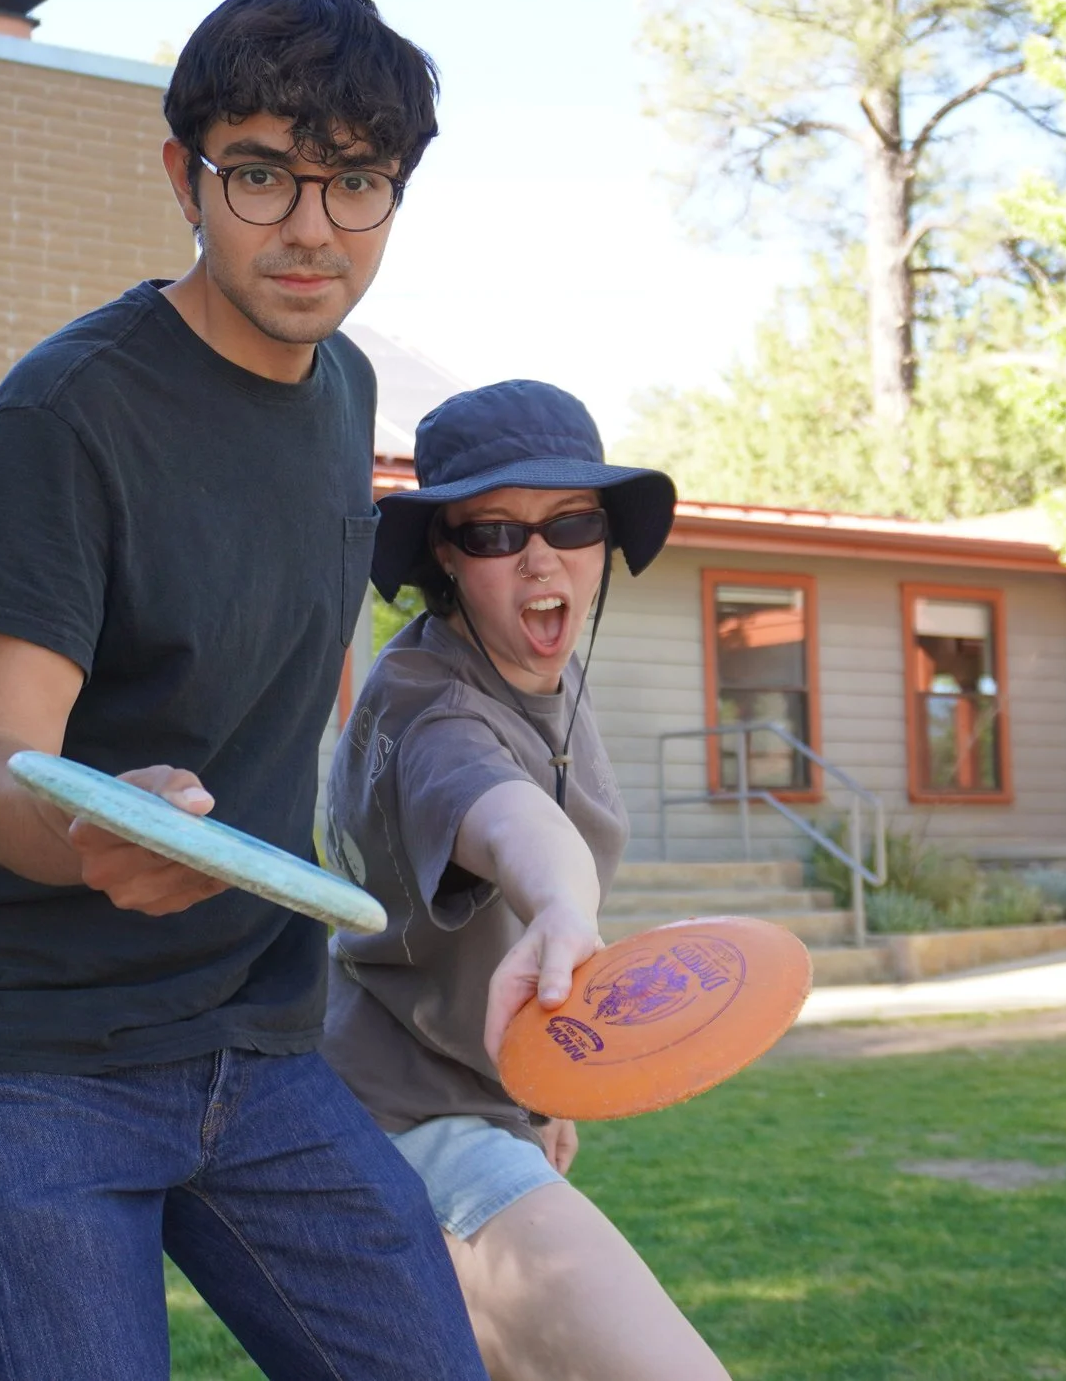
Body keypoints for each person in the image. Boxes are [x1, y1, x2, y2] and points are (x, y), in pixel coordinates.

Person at [0, 0, 487, 1381]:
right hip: (29, 1049)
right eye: (263, 174)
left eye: (357, 182)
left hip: (254, 1036)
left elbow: (297, 652)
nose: (311, 227)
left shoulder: (345, 392)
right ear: (185, 175)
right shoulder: (66, 413)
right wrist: (101, 825)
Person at [319, 380, 728, 1381]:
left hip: (481, 1098)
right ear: (448, 557)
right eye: (497, 532)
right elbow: (509, 818)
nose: (541, 557)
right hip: (404, 1118)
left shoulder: (542, 675)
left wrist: (544, 1079)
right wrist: (562, 905)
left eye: (572, 522)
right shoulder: (430, 708)